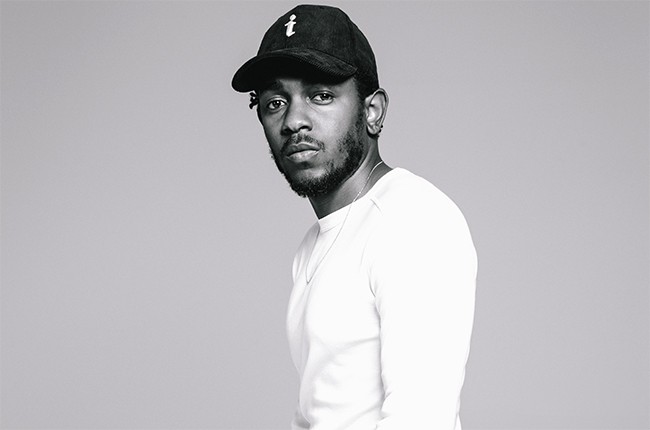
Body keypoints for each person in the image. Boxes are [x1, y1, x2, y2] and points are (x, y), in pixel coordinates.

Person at [232, 5, 477, 430]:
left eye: (321, 95)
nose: (294, 120)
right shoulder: (314, 245)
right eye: (275, 101)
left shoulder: (412, 220)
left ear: (373, 111)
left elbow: (421, 419)